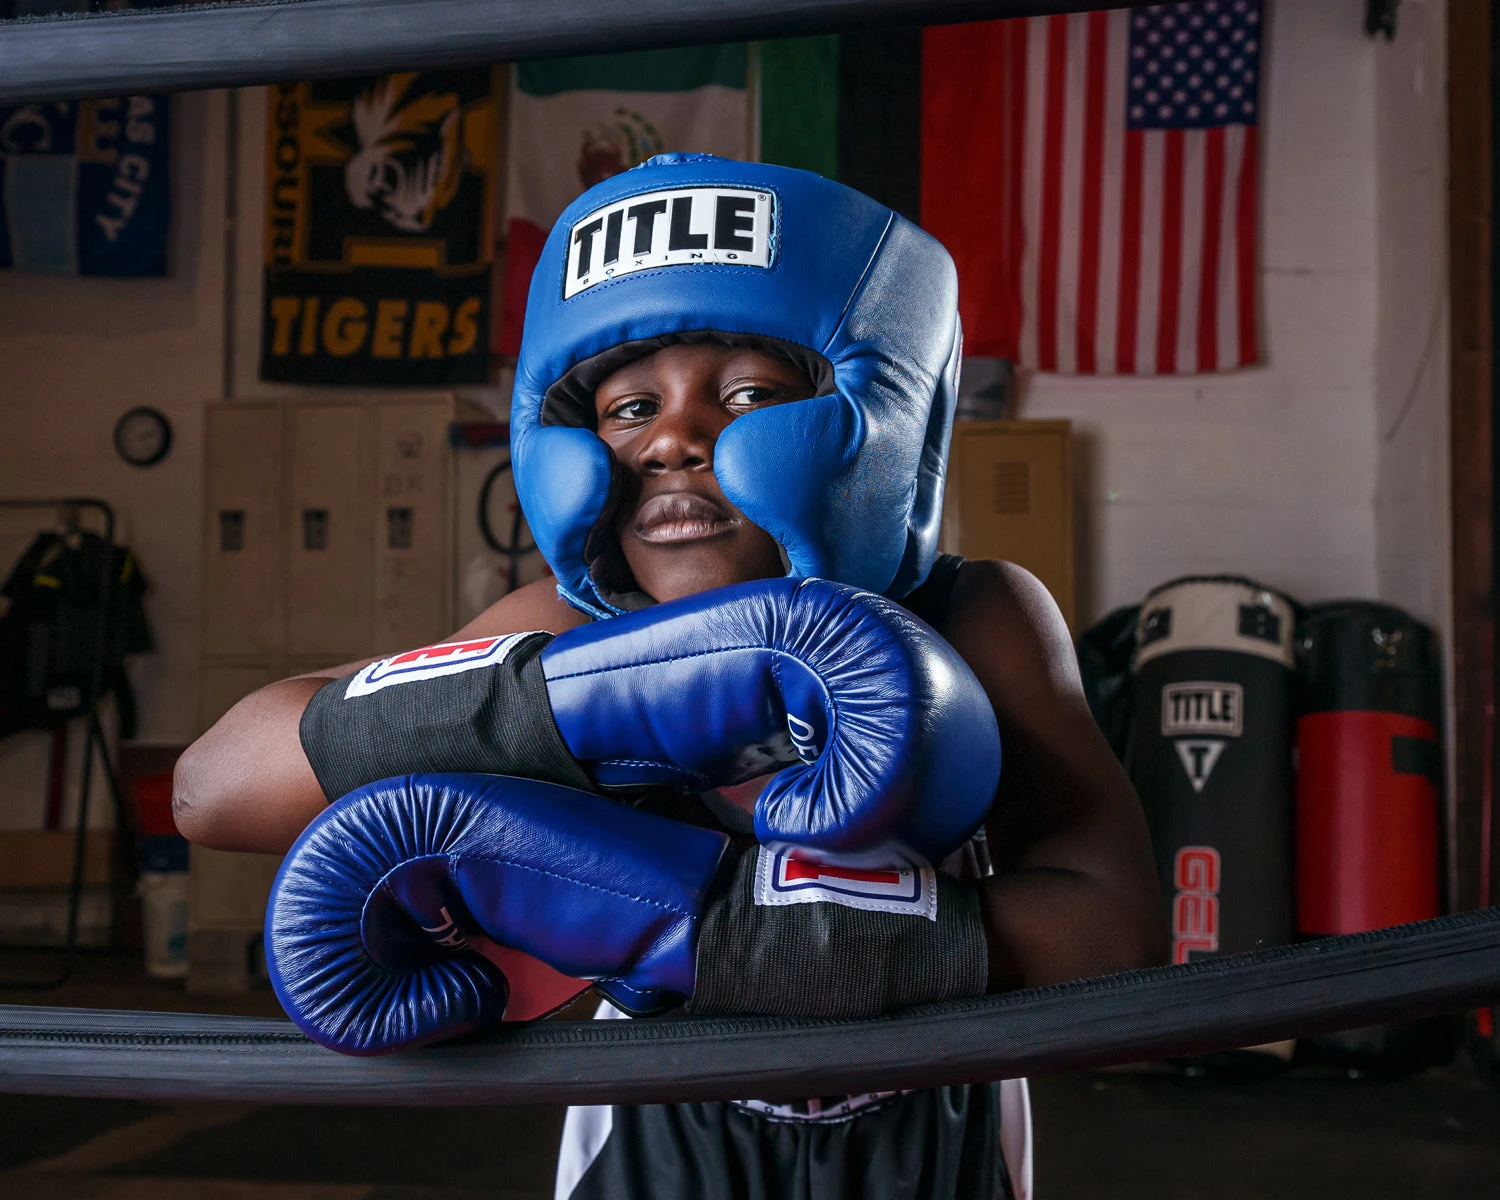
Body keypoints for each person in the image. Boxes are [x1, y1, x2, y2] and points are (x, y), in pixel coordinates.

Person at [174, 155, 1164, 1200]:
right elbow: (215, 783)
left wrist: (708, 927)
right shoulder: (556, 631)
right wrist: (580, 699)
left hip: (927, 1122)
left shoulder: (969, 616)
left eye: (749, 395)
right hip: (654, 1120)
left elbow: (1115, 939)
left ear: (878, 422)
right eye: (629, 405)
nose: (675, 439)